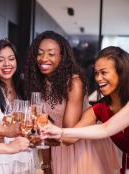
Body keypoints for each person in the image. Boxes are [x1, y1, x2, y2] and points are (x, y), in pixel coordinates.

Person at [23, 31, 120, 174]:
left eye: (51, 54)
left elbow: (68, 128)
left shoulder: (74, 83)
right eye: (40, 53)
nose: (44, 58)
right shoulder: (38, 84)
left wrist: (40, 127)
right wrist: (47, 164)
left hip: (79, 146)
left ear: (62, 57)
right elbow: (43, 127)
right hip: (58, 147)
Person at [41, 46, 129, 174]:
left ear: (121, 73)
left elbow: (106, 129)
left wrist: (59, 131)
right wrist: (48, 129)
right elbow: (70, 138)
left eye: (103, 72)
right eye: (96, 73)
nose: (98, 78)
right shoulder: (99, 109)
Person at [0, 39, 38, 174]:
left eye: (11, 59)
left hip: (23, 150)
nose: (7, 64)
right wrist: (21, 122)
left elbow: (34, 115)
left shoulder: (24, 86)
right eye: (0, 60)